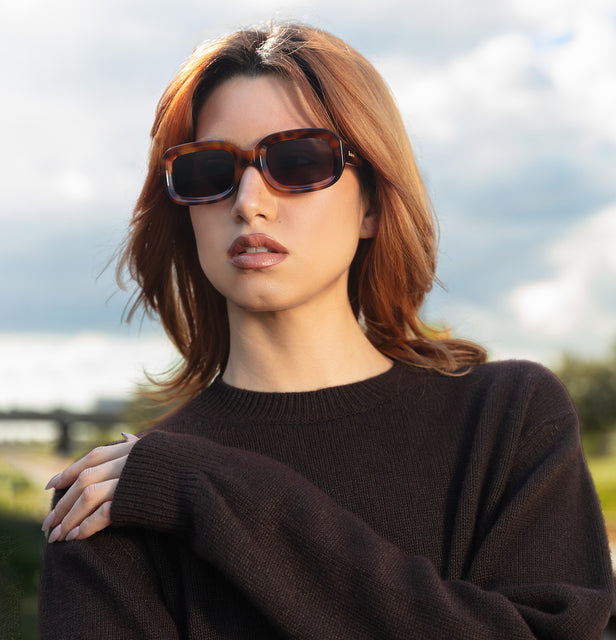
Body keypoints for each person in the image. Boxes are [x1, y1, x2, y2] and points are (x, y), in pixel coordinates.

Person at [39, 22, 615, 639]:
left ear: (371, 203)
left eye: (297, 159)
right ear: (185, 211)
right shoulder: (116, 497)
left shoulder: (510, 419)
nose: (249, 201)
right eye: (210, 170)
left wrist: (214, 490)